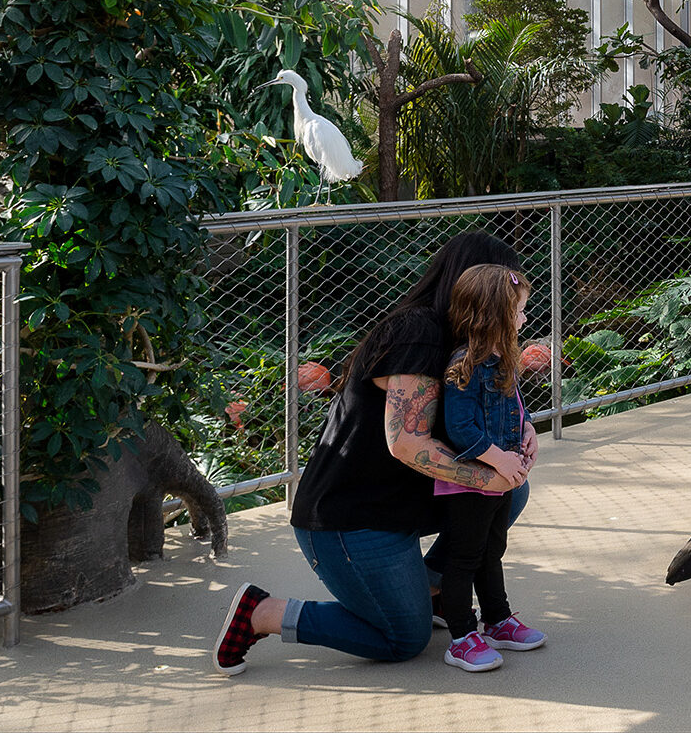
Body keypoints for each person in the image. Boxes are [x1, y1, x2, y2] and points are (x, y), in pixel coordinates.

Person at [215, 231, 536, 673]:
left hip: (403, 500)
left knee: (510, 494)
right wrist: (490, 475)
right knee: (404, 637)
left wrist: (526, 429)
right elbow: (406, 442)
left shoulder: (474, 344)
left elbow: (487, 402)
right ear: (473, 285)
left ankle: (439, 592)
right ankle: (262, 612)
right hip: (352, 515)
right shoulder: (417, 334)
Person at [434, 264, 547, 672]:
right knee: (464, 556)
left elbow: (513, 402)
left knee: (492, 551)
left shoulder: (503, 358)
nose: (524, 319)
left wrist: (529, 427)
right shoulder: (466, 364)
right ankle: (462, 636)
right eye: (518, 311)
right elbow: (459, 427)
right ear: (495, 314)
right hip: (473, 481)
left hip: (502, 479)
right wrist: (499, 459)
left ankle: (497, 619)